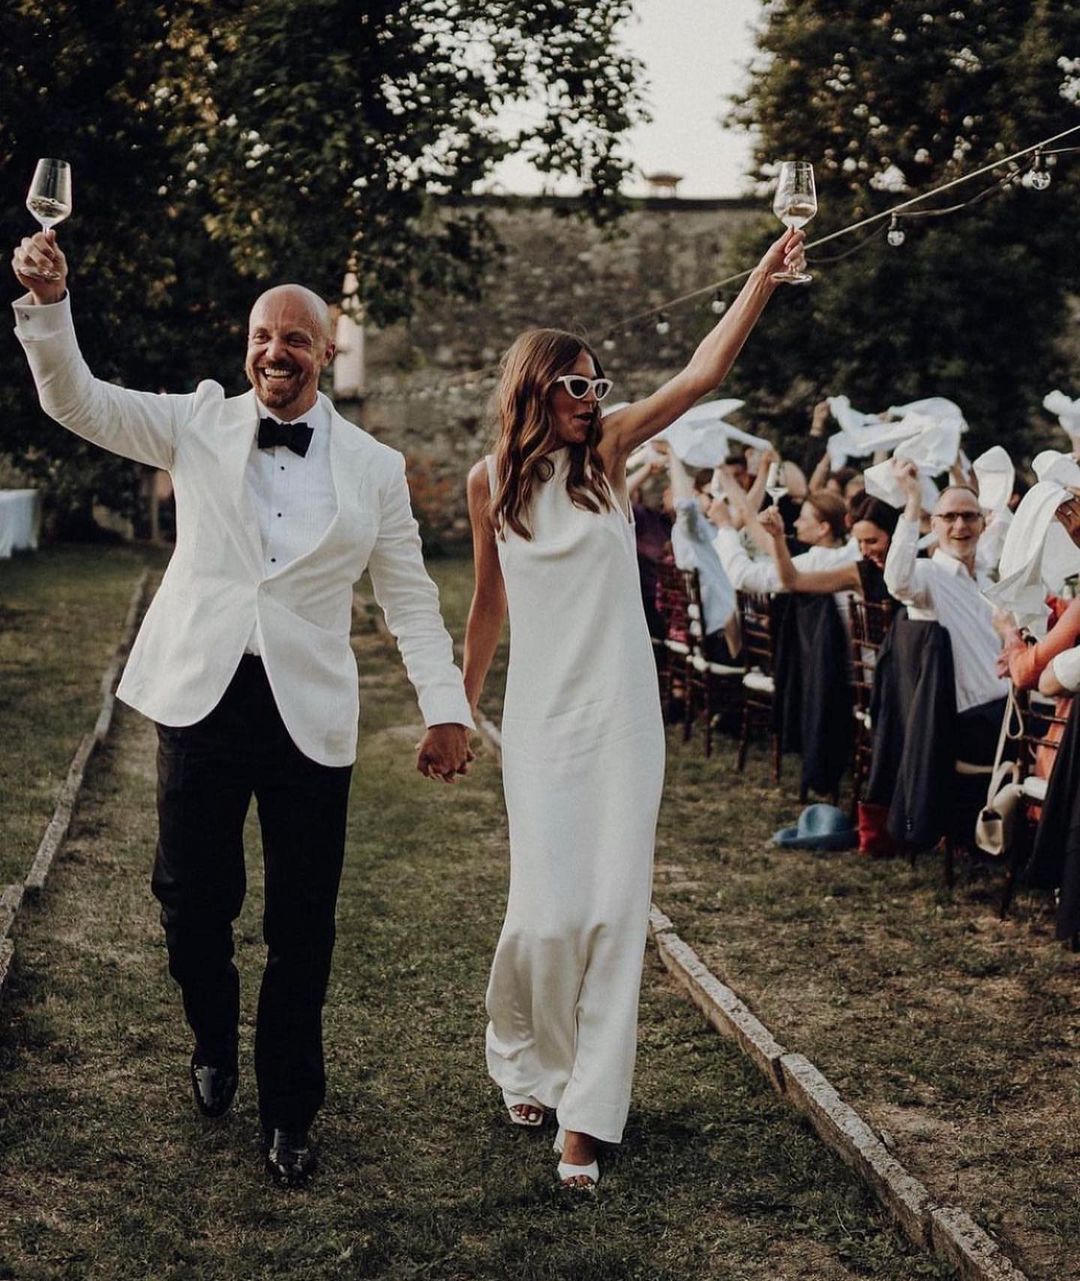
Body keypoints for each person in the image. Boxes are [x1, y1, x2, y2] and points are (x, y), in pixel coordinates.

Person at [11, 230, 474, 1188]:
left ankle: (291, 1110)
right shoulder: (198, 423)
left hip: (309, 714)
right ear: (247, 346)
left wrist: (446, 708)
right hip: (202, 697)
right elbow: (75, 399)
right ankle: (212, 1034)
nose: (276, 351)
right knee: (190, 900)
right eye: (263, 335)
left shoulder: (375, 466)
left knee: (304, 923)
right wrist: (50, 307)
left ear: (326, 351)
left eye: (296, 338)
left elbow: (409, 597)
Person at [462, 228, 806, 1189]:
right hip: (540, 723)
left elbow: (700, 374)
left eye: (598, 384)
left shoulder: (608, 455)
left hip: (621, 721)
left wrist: (761, 278)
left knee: (614, 914)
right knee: (542, 918)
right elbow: (486, 604)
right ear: (535, 387)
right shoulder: (491, 482)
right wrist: (456, 708)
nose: (593, 398)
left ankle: (586, 1117)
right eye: (577, 384)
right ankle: (524, 1054)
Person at [885, 461, 1009, 764]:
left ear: (982, 523)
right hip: (974, 724)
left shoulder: (985, 581)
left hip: (1007, 709)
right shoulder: (928, 575)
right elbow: (897, 582)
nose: (960, 525)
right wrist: (913, 501)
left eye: (969, 516)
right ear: (934, 525)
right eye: (949, 517)